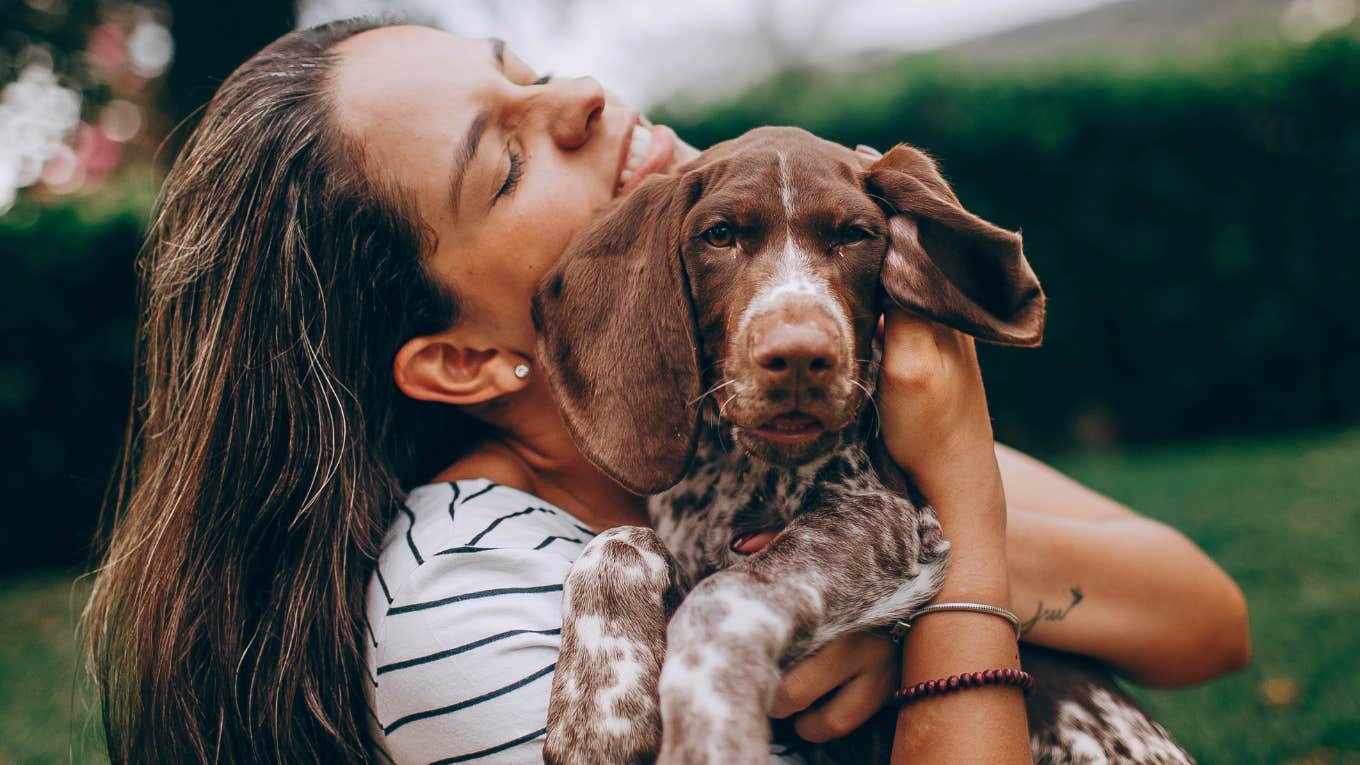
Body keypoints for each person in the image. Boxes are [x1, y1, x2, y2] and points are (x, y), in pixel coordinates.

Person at [85, 18, 1250, 764]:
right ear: (464, 360)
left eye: (528, 71)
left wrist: (917, 576)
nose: (583, 94)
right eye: (506, 160)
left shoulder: (790, 436)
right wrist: (949, 558)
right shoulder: (467, 603)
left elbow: (1207, 621)